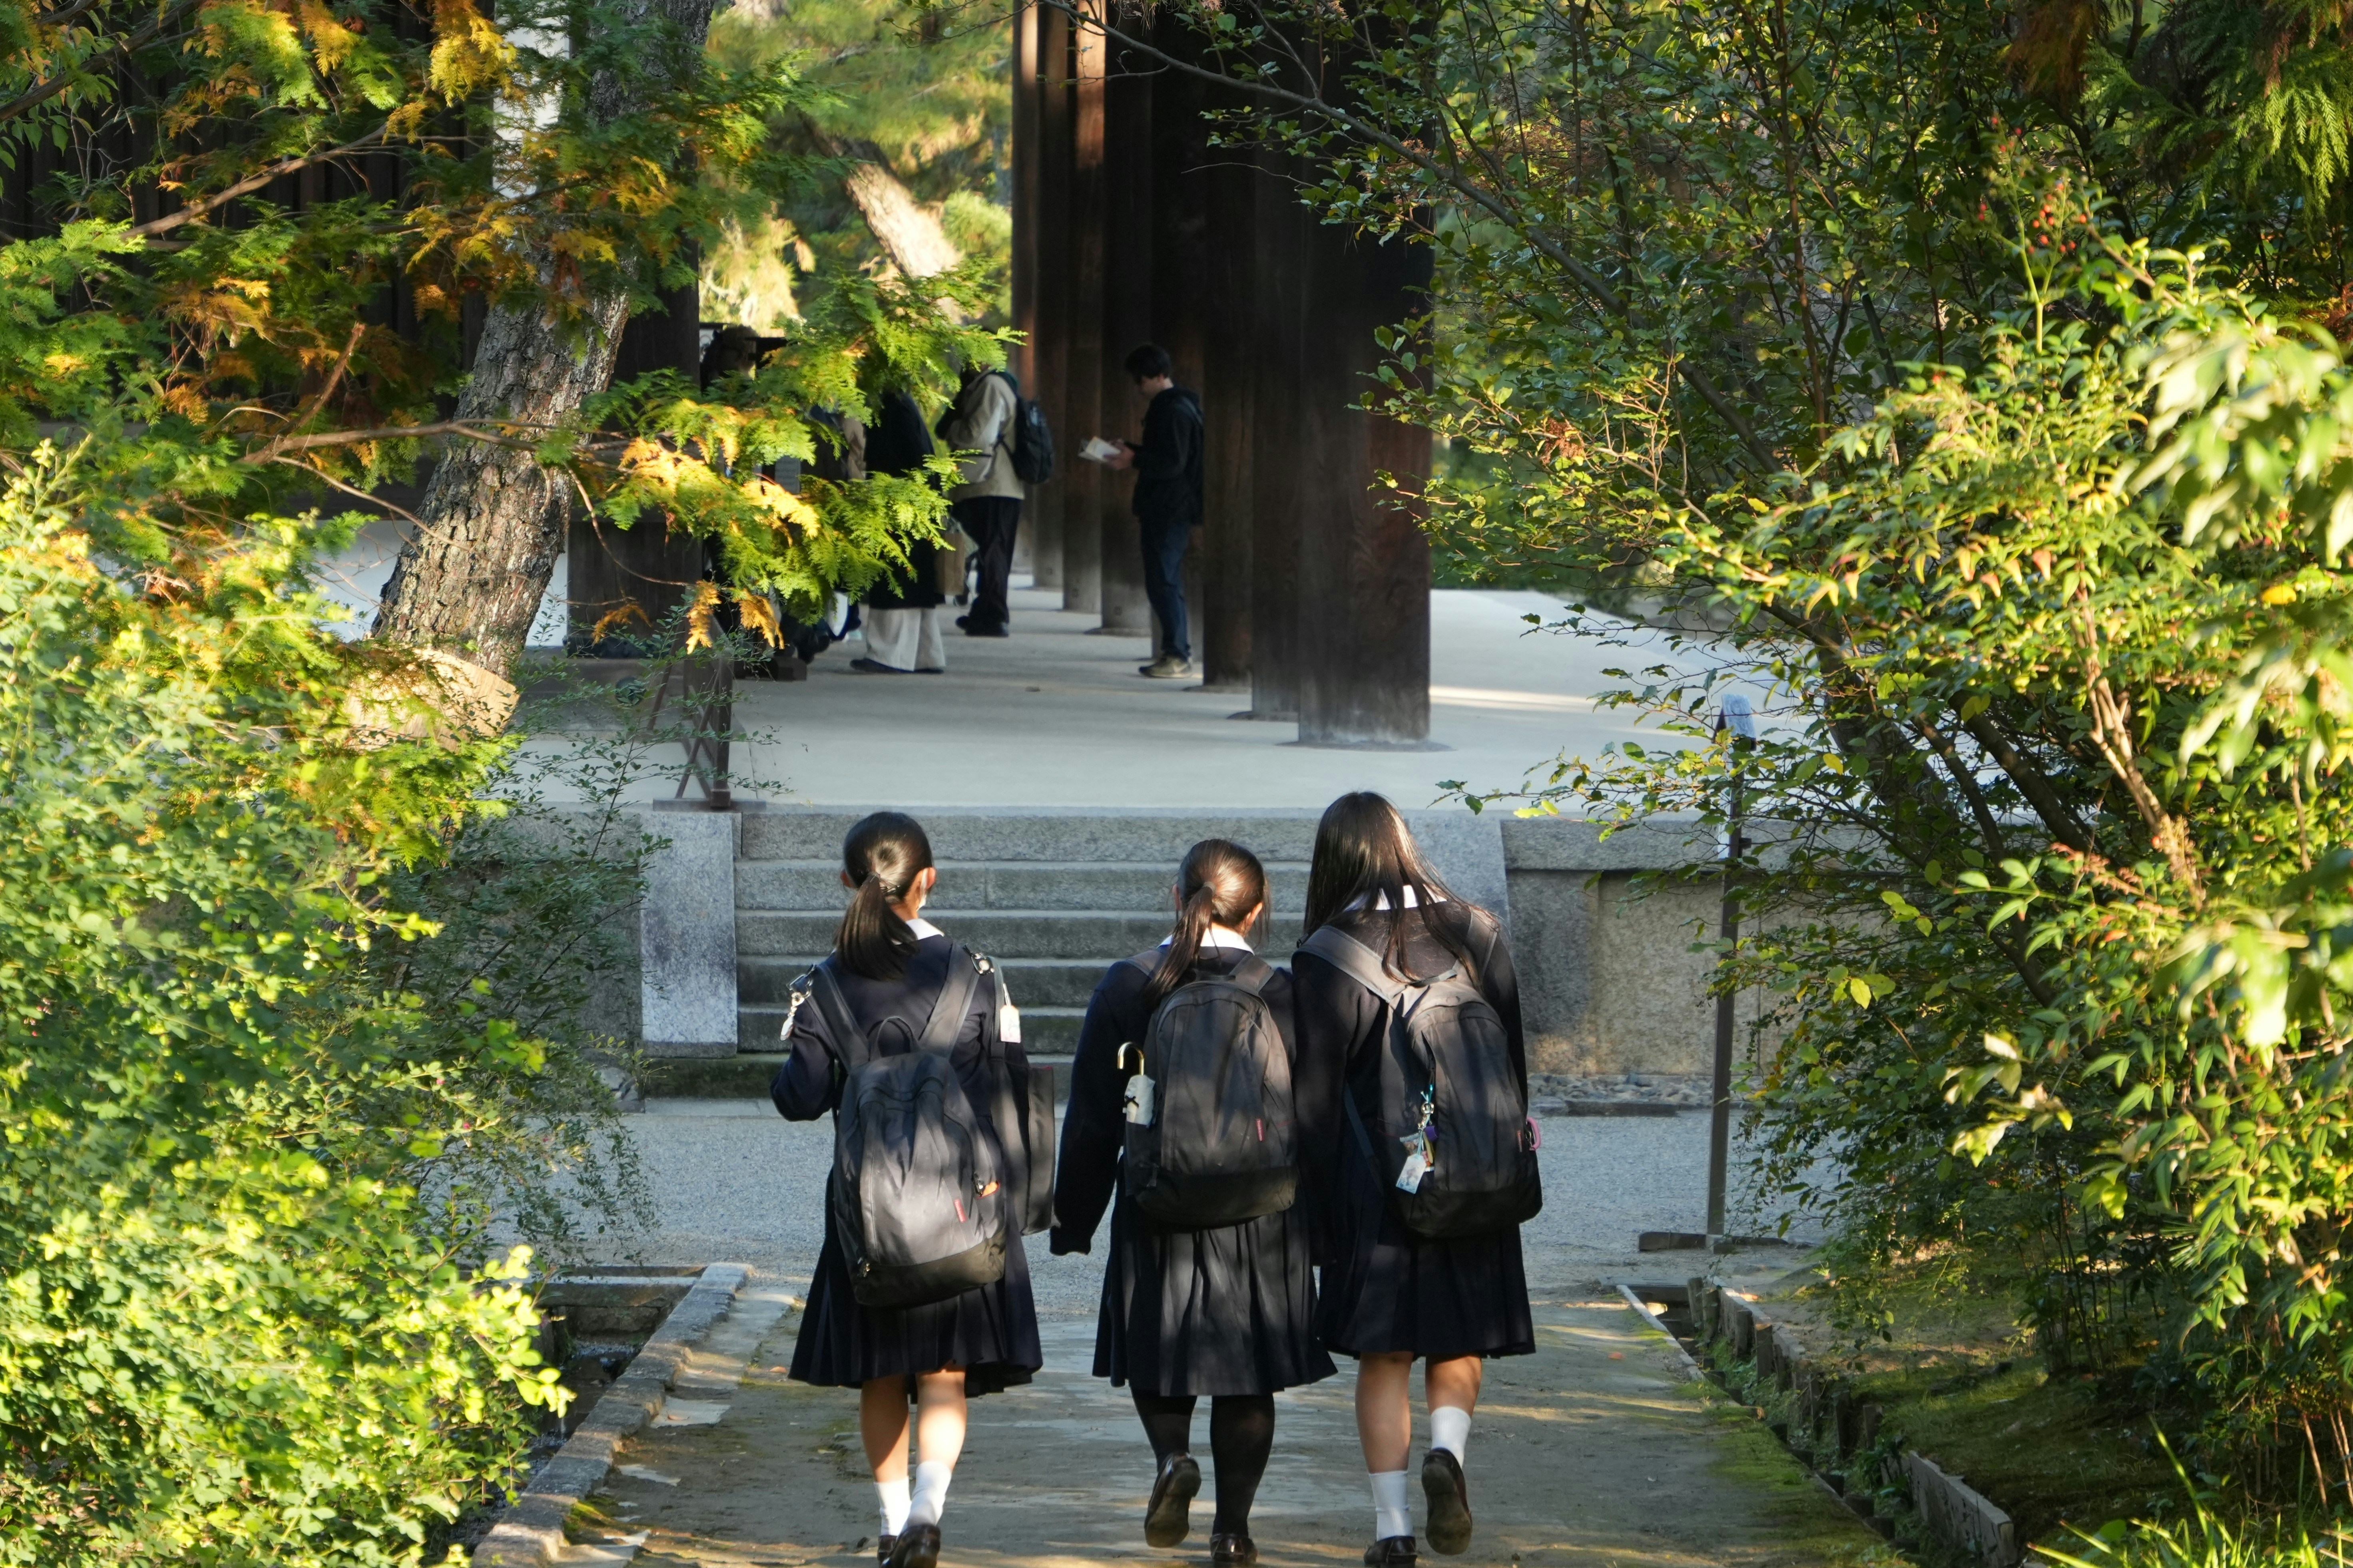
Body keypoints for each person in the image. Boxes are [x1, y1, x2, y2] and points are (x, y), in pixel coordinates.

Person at [771, 813, 1046, 1568]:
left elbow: (798, 1098)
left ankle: (893, 1526)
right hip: (959, 1207)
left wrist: (799, 1027)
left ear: (846, 883)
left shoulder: (823, 982)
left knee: (880, 1371)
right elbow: (1007, 1089)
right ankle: (930, 1508)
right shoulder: (975, 971)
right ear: (928, 880)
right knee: (945, 1371)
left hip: (867, 1216)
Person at [1053, 840, 1333, 1568]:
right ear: (1259, 907)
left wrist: (1073, 1218)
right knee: (1249, 1373)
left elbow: (1090, 1115)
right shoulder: (1280, 989)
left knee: (1158, 1346)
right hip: (1263, 1209)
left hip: (1158, 1198)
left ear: (1174, 897)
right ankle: (1232, 1529)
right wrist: (1327, 1225)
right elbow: (1319, 1114)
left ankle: (1172, 1455)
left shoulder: (1130, 984)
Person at [1291, 794, 1534, 1568]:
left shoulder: (1327, 954)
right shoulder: (1477, 929)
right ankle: (1449, 1455)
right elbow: (1514, 1066)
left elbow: (1315, 1104)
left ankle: (1393, 1532)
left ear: (1335, 862)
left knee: (1384, 1360)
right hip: (1476, 1172)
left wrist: (1315, 1218)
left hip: (1380, 1186)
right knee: (1460, 1336)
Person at [1100, 343, 1203, 679]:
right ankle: (1174, 651)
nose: (1138, 387)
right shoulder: (1180, 405)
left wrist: (1134, 459)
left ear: (1159, 376)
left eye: (1141, 380)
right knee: (1163, 580)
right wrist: (1134, 452)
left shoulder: (1173, 410)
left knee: (1164, 580)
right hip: (1169, 504)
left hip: (1169, 506)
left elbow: (1172, 462)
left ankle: (1177, 654)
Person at [856, 388, 948, 675]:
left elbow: (908, 460)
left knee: (895, 580)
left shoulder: (892, 408)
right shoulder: (902, 405)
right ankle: (926, 655)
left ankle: (888, 654)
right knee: (916, 585)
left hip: (900, 502)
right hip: (916, 503)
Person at [938, 364, 1024, 639]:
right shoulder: (993, 385)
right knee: (990, 549)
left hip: (991, 482)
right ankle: (984, 612)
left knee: (992, 551)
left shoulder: (991, 386)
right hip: (990, 484)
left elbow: (977, 435)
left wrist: (953, 428)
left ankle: (994, 615)